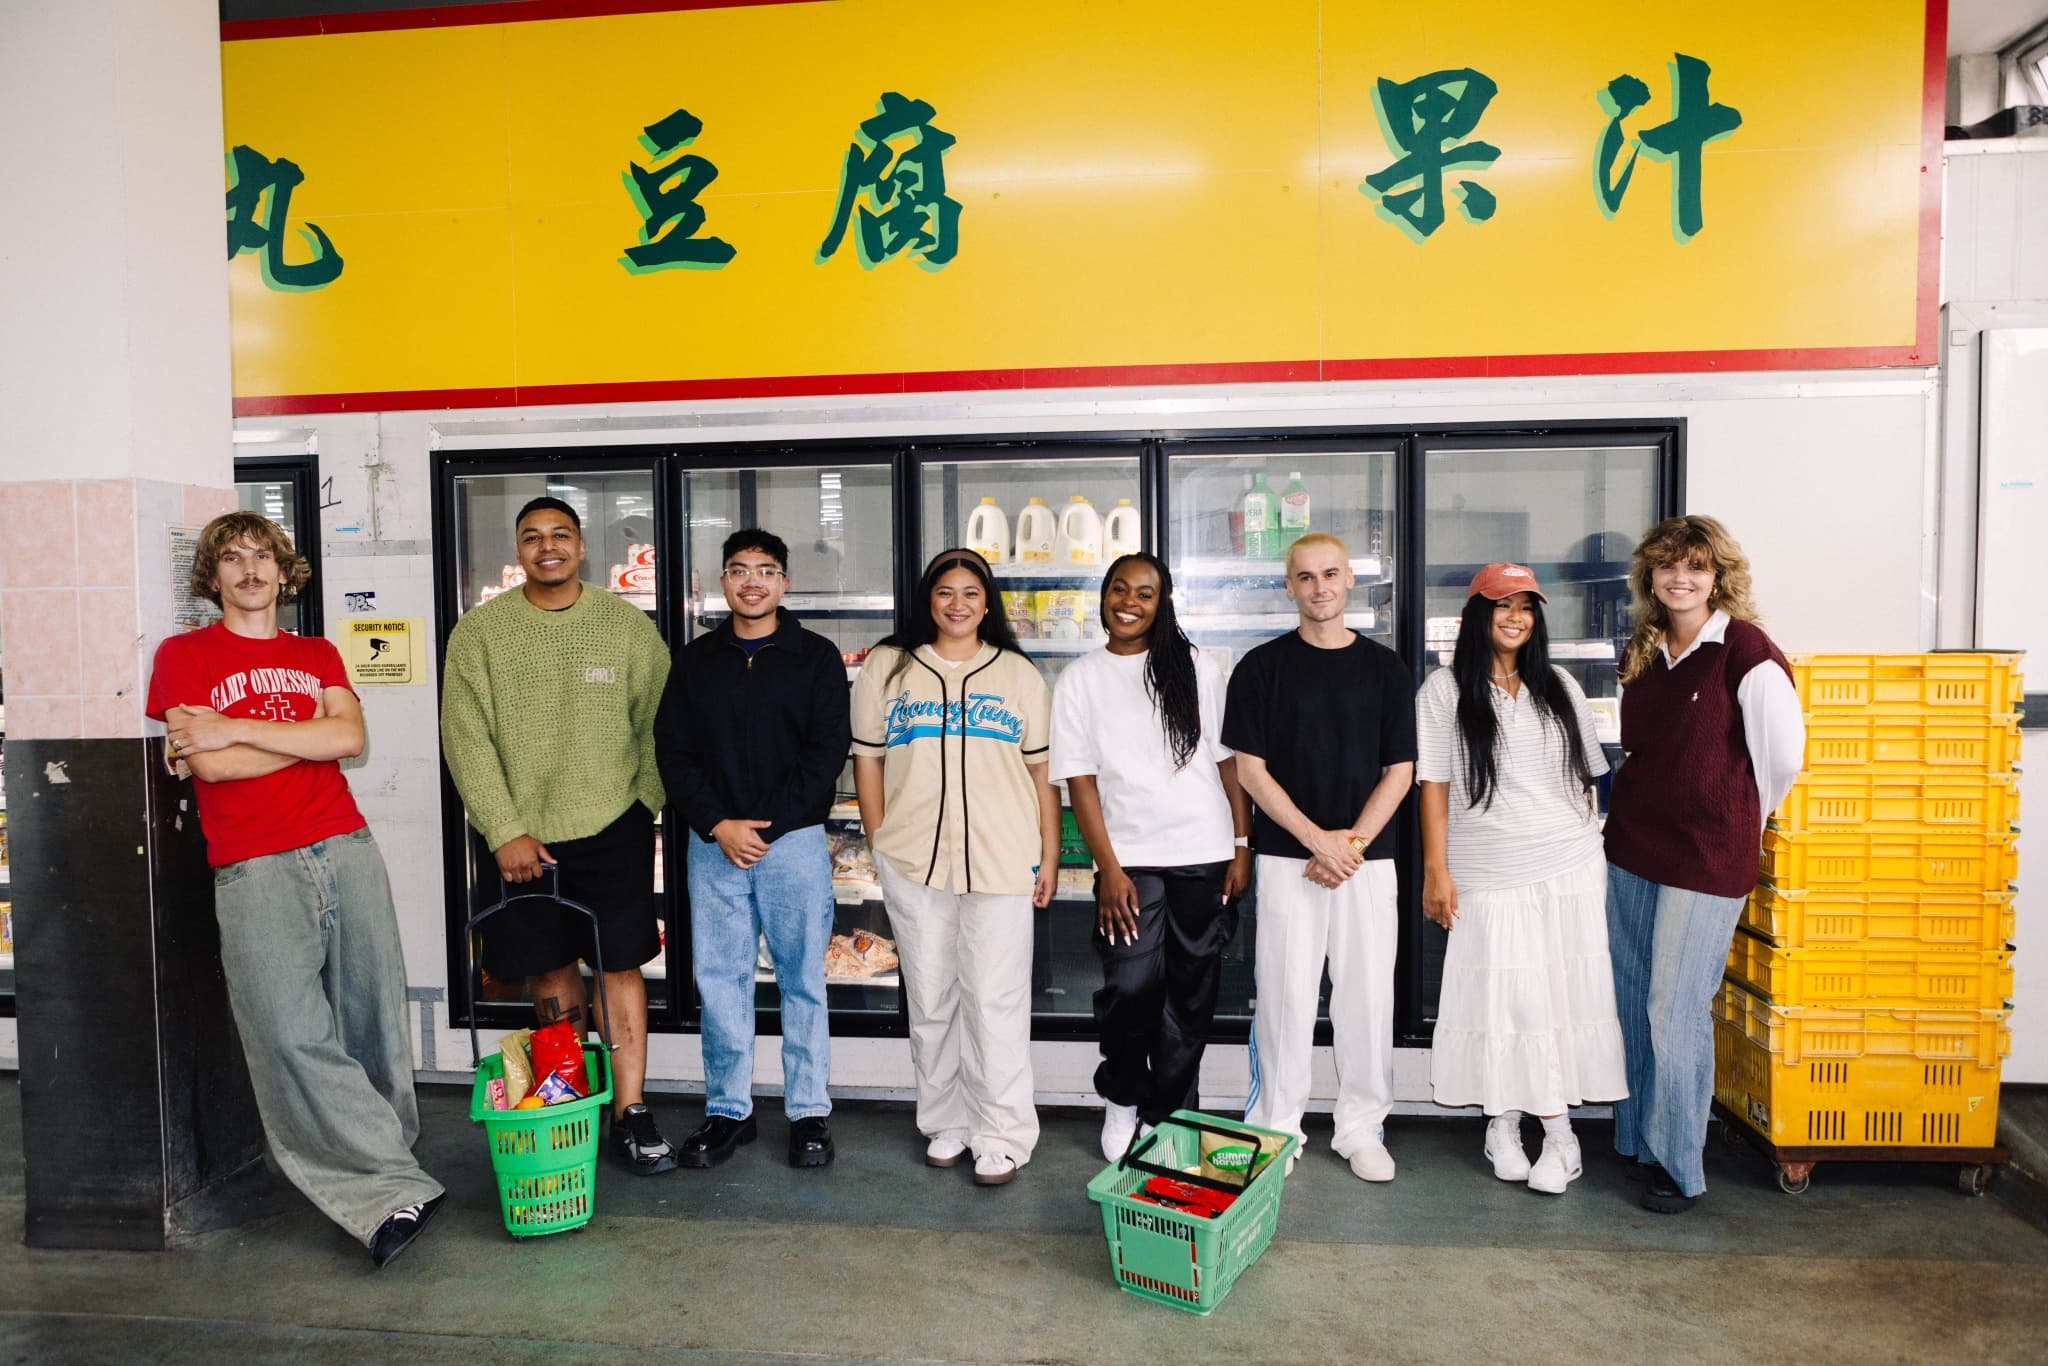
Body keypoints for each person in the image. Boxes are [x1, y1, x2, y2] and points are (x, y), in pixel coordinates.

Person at [146, 512, 444, 1268]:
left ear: (285, 572)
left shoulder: (315, 651)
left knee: (370, 1015)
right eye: (233, 558)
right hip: (255, 866)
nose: (250, 569)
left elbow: (349, 741)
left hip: (345, 848)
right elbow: (211, 768)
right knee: (288, 1035)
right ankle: (384, 1190)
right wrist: (290, 734)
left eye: (263, 556)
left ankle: (390, 1161)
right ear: (211, 577)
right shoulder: (183, 656)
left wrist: (235, 728)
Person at [440, 495, 676, 1175]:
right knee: (549, 970)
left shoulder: (625, 626)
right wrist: (504, 829)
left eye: (561, 535)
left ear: (580, 547)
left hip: (613, 827)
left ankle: (630, 1111)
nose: (548, 546)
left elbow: (660, 724)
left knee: (620, 967)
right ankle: (568, 1099)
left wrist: (643, 807)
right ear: (518, 552)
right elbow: (466, 738)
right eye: (533, 537)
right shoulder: (480, 634)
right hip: (522, 840)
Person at [1602, 516, 1803, 1214]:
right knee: (1632, 999)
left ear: (1719, 576)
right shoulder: (1648, 647)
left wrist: (1740, 819)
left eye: (1694, 566)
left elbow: (1782, 757)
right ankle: (1636, 1135)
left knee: (1675, 1007)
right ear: (1650, 577)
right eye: (1666, 567)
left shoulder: (1743, 648)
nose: (1679, 579)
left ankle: (1677, 1161)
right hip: (1632, 846)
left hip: (1704, 855)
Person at [849, 548, 1059, 1186]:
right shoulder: (888, 668)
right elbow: (868, 761)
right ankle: (946, 1121)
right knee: (932, 996)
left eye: (971, 592)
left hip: (1002, 858)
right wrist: (881, 837)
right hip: (914, 858)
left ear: (987, 602)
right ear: (928, 599)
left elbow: (1041, 772)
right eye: (945, 592)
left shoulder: (1019, 673)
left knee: (995, 1000)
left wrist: (1048, 853)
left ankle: (1002, 1132)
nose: (958, 603)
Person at [1418, 564, 1628, 1195]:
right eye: (1501, 604)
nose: (1515, 616)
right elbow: (1434, 786)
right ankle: (1517, 1127)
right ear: (1477, 615)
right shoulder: (1443, 689)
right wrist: (1437, 869)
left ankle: (1545, 1134)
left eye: (1526, 607)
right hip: (1489, 870)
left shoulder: (1559, 684)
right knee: (1511, 1002)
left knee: (1560, 1001)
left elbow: (1590, 778)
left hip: (1567, 865)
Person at [654, 528, 852, 1169]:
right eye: (739, 570)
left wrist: (762, 828)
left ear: (784, 581)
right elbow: (673, 754)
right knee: (721, 979)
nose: (752, 582)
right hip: (712, 846)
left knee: (801, 978)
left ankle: (808, 1112)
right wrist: (718, 823)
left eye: (766, 570)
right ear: (723, 581)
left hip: (790, 844)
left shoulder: (815, 657)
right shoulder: (694, 661)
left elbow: (827, 753)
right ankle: (729, 1111)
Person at [1224, 532, 1415, 1181]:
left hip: (1366, 860)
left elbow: (1401, 769)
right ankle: (1277, 1127)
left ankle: (1361, 1128)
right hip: (1288, 860)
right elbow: (1250, 770)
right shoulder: (1261, 668)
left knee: (1366, 999)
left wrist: (1349, 845)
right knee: (1284, 997)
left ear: (1349, 581)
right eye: (1305, 577)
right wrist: (1317, 840)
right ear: (1289, 586)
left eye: (1330, 574)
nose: (1319, 587)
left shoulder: (1386, 670)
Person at [1050, 553, 1253, 1160]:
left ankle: (1168, 1117)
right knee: (1130, 987)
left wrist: (1241, 846)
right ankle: (1123, 1098)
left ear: (1162, 602)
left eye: (1145, 592)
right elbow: (1080, 782)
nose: (1130, 602)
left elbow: (1226, 761)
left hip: (1204, 851)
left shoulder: (1194, 667)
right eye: (1119, 589)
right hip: (1129, 859)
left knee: (1191, 993)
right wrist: (1106, 867)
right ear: (1102, 596)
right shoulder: (1079, 679)